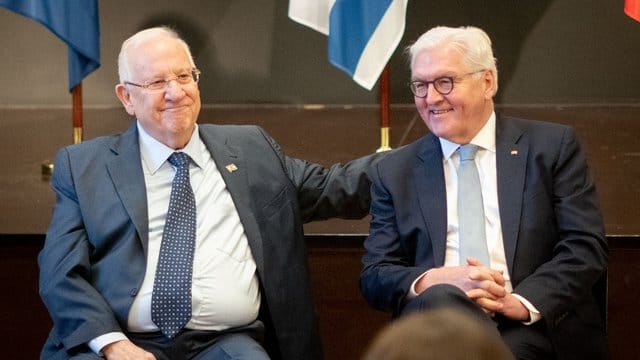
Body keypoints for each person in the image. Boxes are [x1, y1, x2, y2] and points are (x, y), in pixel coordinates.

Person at [38, 26, 379, 360]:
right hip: (119, 343)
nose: (175, 92)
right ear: (126, 97)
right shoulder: (85, 167)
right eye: (157, 82)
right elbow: (60, 273)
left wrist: (425, 151)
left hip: (224, 344)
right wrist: (114, 346)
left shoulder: (250, 150)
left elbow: (334, 186)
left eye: (185, 77)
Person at [359, 26, 608, 360]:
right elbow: (376, 275)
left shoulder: (550, 149)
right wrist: (437, 280)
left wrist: (515, 302)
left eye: (445, 82)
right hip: (436, 331)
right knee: (442, 298)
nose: (431, 98)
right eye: (421, 85)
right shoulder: (395, 170)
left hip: (526, 323)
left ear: (487, 82)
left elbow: (584, 248)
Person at [362, 307, 514, 360]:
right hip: (430, 308)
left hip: (515, 318)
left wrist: (519, 302)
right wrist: (432, 279)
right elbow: (377, 269)